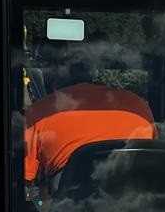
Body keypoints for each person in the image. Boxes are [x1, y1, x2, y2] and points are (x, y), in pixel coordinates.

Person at [24, 38, 156, 186]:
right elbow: (155, 161)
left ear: (55, 75)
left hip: (69, 206)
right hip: (137, 203)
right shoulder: (138, 106)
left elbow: (25, 180)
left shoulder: (40, 112)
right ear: (92, 72)